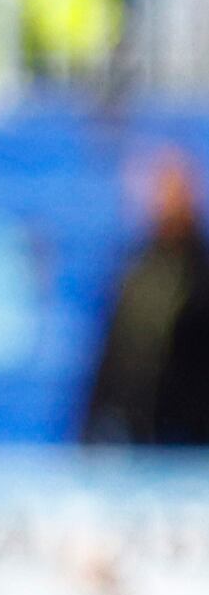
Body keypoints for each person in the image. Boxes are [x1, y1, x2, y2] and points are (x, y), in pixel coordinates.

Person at [82, 148, 209, 446]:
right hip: (141, 436)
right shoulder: (133, 271)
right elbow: (112, 356)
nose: (166, 201)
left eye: (175, 191)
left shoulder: (202, 272)